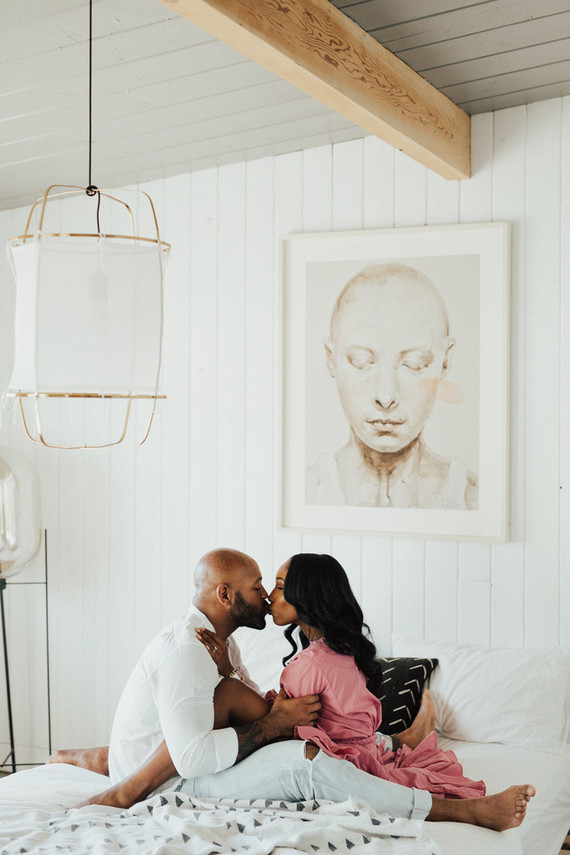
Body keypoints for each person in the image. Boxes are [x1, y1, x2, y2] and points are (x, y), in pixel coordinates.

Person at [49, 549, 534, 831]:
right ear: (225, 595)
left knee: (235, 708)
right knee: (305, 760)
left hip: (189, 753)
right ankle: (461, 811)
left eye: (273, 586)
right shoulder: (190, 650)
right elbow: (202, 750)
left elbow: (264, 706)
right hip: (175, 776)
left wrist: (257, 702)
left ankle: (86, 758)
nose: (266, 595)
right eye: (261, 586)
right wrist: (273, 722)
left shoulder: (226, 644)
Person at [306, 263, 478, 510]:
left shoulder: (471, 498)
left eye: (414, 363)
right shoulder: (308, 493)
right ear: (329, 357)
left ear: (445, 359)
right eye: (361, 361)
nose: (386, 397)